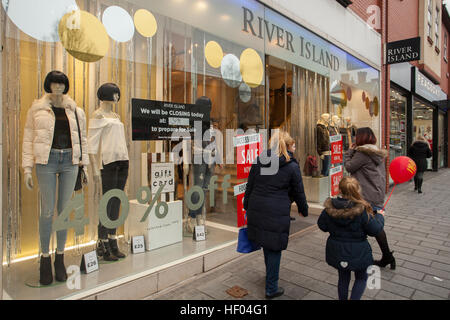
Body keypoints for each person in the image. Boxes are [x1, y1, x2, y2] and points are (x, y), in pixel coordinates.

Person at [22, 71, 89, 285]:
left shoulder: (76, 111)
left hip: (70, 161)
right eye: (54, 83)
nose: (58, 87)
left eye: (61, 84)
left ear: (66, 86)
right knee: (47, 211)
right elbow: (28, 137)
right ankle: (44, 257)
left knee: (63, 213)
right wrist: (26, 168)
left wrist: (83, 165)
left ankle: (60, 257)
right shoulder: (37, 109)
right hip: (47, 162)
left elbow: (83, 140)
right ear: (48, 85)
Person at [244, 131, 308, 299]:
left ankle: (270, 277)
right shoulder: (292, 166)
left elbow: (250, 185)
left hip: (257, 208)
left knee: (268, 243)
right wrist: (304, 209)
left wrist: (246, 205)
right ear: (286, 146)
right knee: (274, 248)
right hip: (275, 211)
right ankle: (271, 288)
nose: (295, 147)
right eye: (293, 145)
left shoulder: (259, 160)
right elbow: (299, 191)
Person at [318, 177, 385, 300]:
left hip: (337, 250)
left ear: (340, 189)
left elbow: (322, 225)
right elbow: (375, 230)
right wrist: (380, 217)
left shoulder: (330, 207)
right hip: (359, 251)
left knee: (343, 278)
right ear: (357, 190)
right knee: (361, 277)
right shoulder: (362, 210)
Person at [344, 127, 395, 269]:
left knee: (362, 225)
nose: (354, 139)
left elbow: (349, 167)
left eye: (356, 136)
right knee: (375, 226)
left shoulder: (362, 154)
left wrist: (349, 152)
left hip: (365, 194)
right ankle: (387, 256)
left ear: (360, 138)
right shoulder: (377, 152)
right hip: (376, 193)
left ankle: (363, 257)